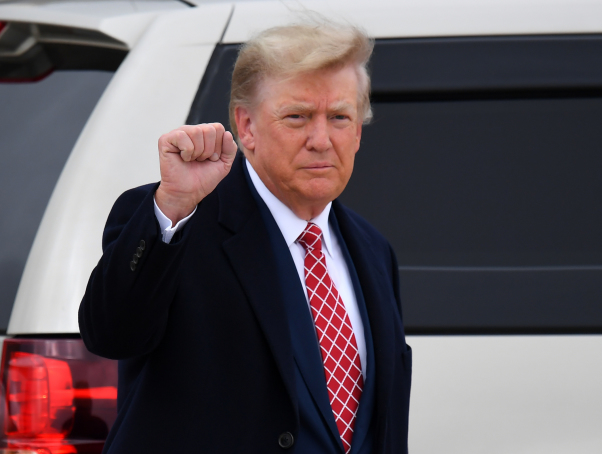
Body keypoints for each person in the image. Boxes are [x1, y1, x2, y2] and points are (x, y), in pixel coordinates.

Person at [79, 21, 411, 454]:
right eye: (297, 117)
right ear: (246, 126)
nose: (321, 140)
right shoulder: (180, 221)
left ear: (359, 132)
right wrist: (174, 204)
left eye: (339, 118)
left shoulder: (373, 250)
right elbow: (111, 335)